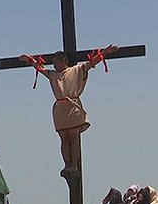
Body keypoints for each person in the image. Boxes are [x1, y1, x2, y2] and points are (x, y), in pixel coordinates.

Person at [19, 45, 119, 178]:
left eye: (56, 62)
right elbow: (40, 69)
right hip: (60, 109)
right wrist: (30, 60)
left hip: (72, 106)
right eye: (53, 63)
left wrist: (106, 52)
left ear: (63, 61)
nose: (54, 65)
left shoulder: (77, 70)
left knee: (73, 136)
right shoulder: (53, 75)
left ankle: (74, 165)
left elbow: (92, 63)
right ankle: (67, 165)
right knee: (64, 138)